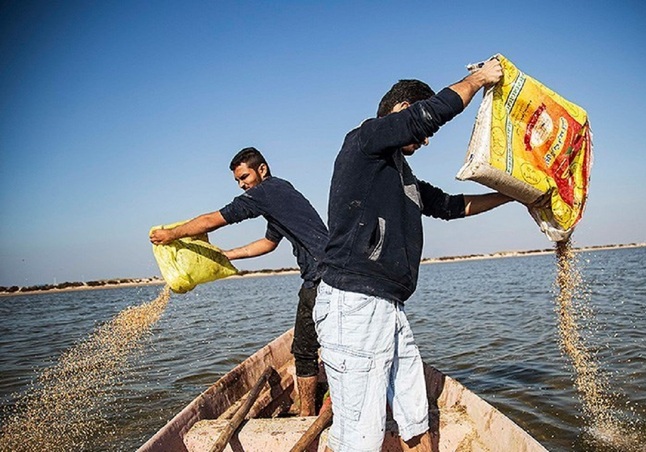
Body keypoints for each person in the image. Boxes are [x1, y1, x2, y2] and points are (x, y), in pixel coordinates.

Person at [314, 58, 519, 451]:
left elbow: (450, 205)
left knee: (414, 415)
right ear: (401, 109)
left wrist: (510, 195)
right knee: (360, 436)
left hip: (389, 307)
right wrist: (477, 80)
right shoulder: (365, 139)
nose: (425, 142)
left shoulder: (400, 174)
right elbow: (423, 119)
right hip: (354, 304)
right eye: (421, 134)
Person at [149, 147, 327, 417]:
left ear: (262, 170)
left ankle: (306, 414)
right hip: (332, 272)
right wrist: (224, 256)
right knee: (324, 343)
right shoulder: (280, 193)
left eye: (244, 177)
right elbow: (267, 244)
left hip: (321, 276)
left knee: (303, 351)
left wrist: (171, 234)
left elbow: (213, 220)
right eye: (238, 181)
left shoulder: (266, 193)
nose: (243, 185)